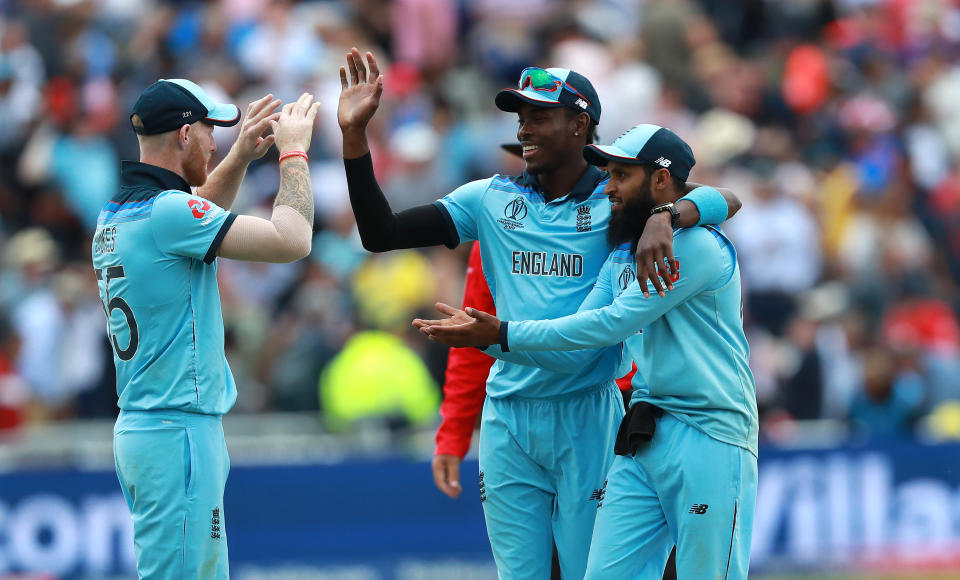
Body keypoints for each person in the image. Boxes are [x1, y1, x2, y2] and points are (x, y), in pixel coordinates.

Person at [338, 47, 737, 578]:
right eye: (520, 116)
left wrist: (666, 213)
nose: (524, 128)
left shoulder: (618, 201)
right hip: (508, 419)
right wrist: (353, 137)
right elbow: (379, 233)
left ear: (581, 125)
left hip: (588, 415)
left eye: (539, 116)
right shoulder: (488, 200)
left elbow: (723, 197)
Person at [416, 124, 758, 580]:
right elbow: (581, 324)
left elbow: (608, 324)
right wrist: (498, 340)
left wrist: (501, 335)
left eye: (620, 175)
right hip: (645, 431)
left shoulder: (696, 247)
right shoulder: (623, 249)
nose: (608, 187)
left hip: (709, 433)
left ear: (659, 181)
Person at [93, 79, 320, 579]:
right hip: (177, 432)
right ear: (184, 134)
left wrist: (239, 158)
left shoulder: (118, 213)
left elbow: (195, 212)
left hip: (152, 428)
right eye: (210, 133)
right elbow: (293, 239)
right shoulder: (169, 214)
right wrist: (295, 153)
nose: (214, 143)